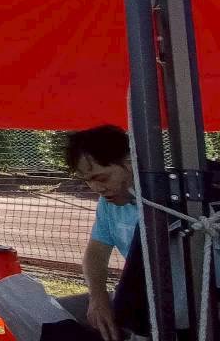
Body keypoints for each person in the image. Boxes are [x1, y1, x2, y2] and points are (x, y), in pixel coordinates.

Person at [61, 125, 145, 341]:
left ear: (130, 162)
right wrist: (98, 297)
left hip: (170, 304)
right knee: (54, 313)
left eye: (102, 178)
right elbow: (96, 253)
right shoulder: (107, 204)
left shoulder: (166, 201)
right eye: (87, 181)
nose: (96, 188)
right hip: (135, 298)